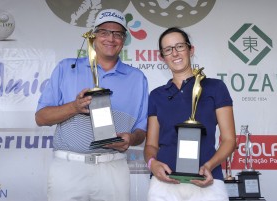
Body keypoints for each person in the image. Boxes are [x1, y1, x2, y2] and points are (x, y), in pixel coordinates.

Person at [35, 8, 148, 201]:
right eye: (104, 32)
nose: (110, 39)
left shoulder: (137, 78)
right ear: (93, 36)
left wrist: (131, 138)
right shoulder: (66, 68)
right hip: (69, 168)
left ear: (124, 40)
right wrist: (75, 107)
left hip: (113, 169)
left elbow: (141, 130)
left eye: (117, 34)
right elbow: (41, 118)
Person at [144, 27, 236, 201]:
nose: (175, 53)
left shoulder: (215, 88)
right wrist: (152, 164)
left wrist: (209, 166)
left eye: (179, 46)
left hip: (208, 181)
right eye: (168, 49)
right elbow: (151, 146)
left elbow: (230, 140)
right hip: (164, 185)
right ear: (161, 56)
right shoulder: (156, 95)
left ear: (190, 49)